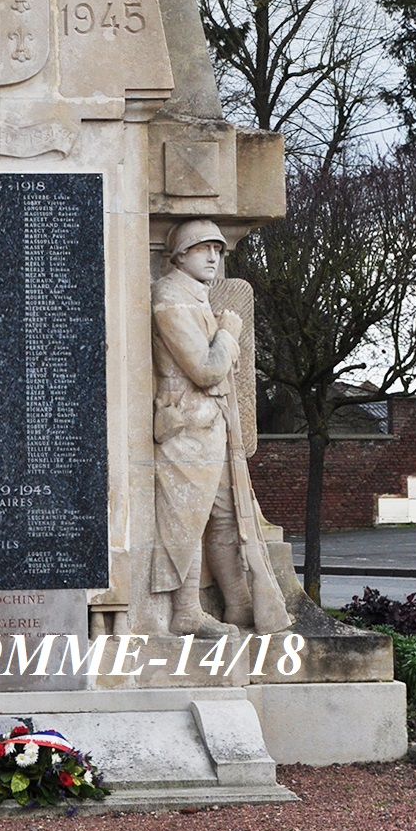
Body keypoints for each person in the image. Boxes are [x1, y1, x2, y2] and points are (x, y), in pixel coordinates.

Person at [151, 218, 291, 638]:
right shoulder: (170, 298)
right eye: (202, 249)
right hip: (188, 428)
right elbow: (206, 369)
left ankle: (238, 603)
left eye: (218, 250)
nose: (213, 257)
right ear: (179, 254)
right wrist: (229, 334)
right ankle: (187, 609)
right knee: (189, 519)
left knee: (227, 516)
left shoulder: (196, 296)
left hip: (213, 425)